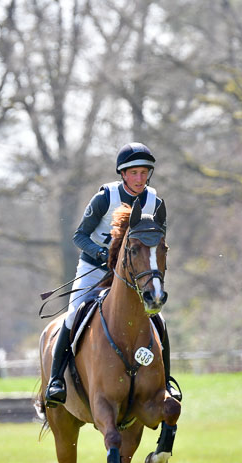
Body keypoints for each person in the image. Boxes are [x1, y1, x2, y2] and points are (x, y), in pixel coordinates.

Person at [45, 141, 178, 407]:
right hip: (94, 267)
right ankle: (56, 380)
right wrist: (101, 254)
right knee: (73, 315)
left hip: (131, 273)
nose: (139, 178)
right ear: (123, 174)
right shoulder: (106, 197)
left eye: (144, 173)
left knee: (158, 320)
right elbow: (79, 236)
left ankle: (166, 383)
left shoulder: (154, 202)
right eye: (134, 173)